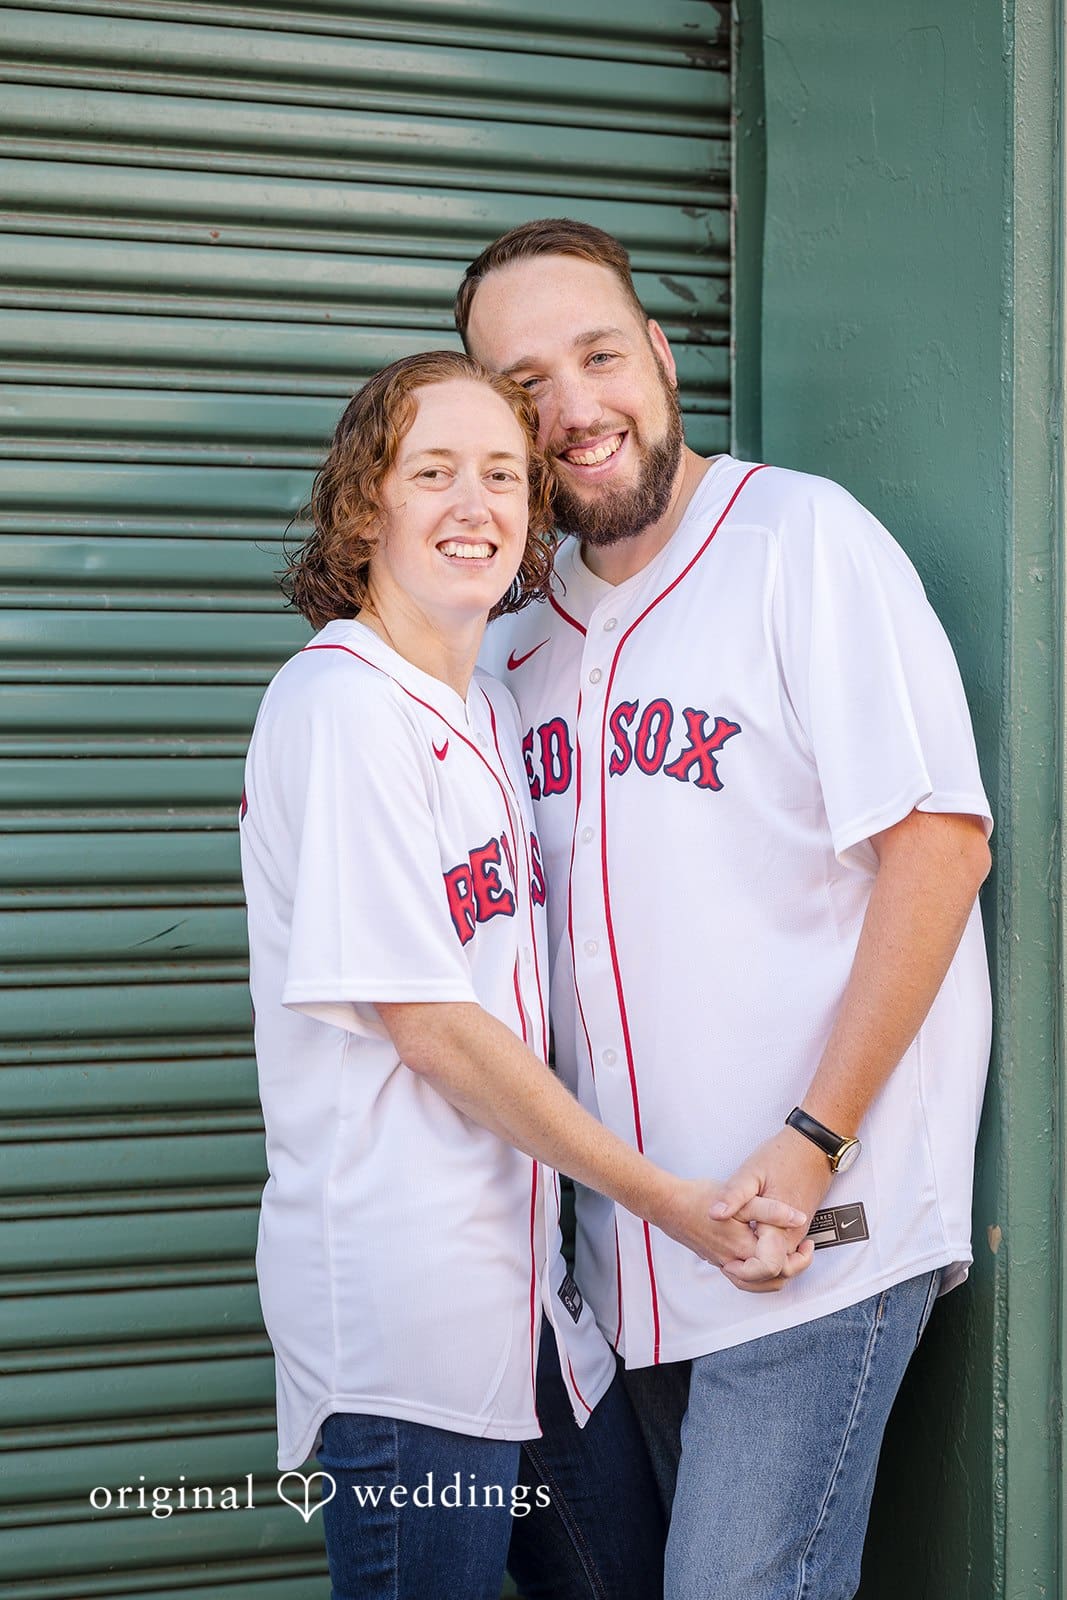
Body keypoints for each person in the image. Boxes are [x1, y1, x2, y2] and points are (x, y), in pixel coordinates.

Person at [456, 221, 994, 1600]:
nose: (574, 409)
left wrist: (814, 1140)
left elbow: (936, 851)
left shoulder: (798, 542)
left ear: (657, 350)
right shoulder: (506, 647)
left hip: (806, 1244)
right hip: (623, 1272)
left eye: (594, 354)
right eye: (524, 389)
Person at [238, 349, 808, 1600]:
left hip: (533, 1313)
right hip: (406, 1321)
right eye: (431, 470)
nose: (474, 504)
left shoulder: (489, 706)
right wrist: (669, 1200)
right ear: (364, 504)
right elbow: (432, 1028)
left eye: (502, 473)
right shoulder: (337, 707)